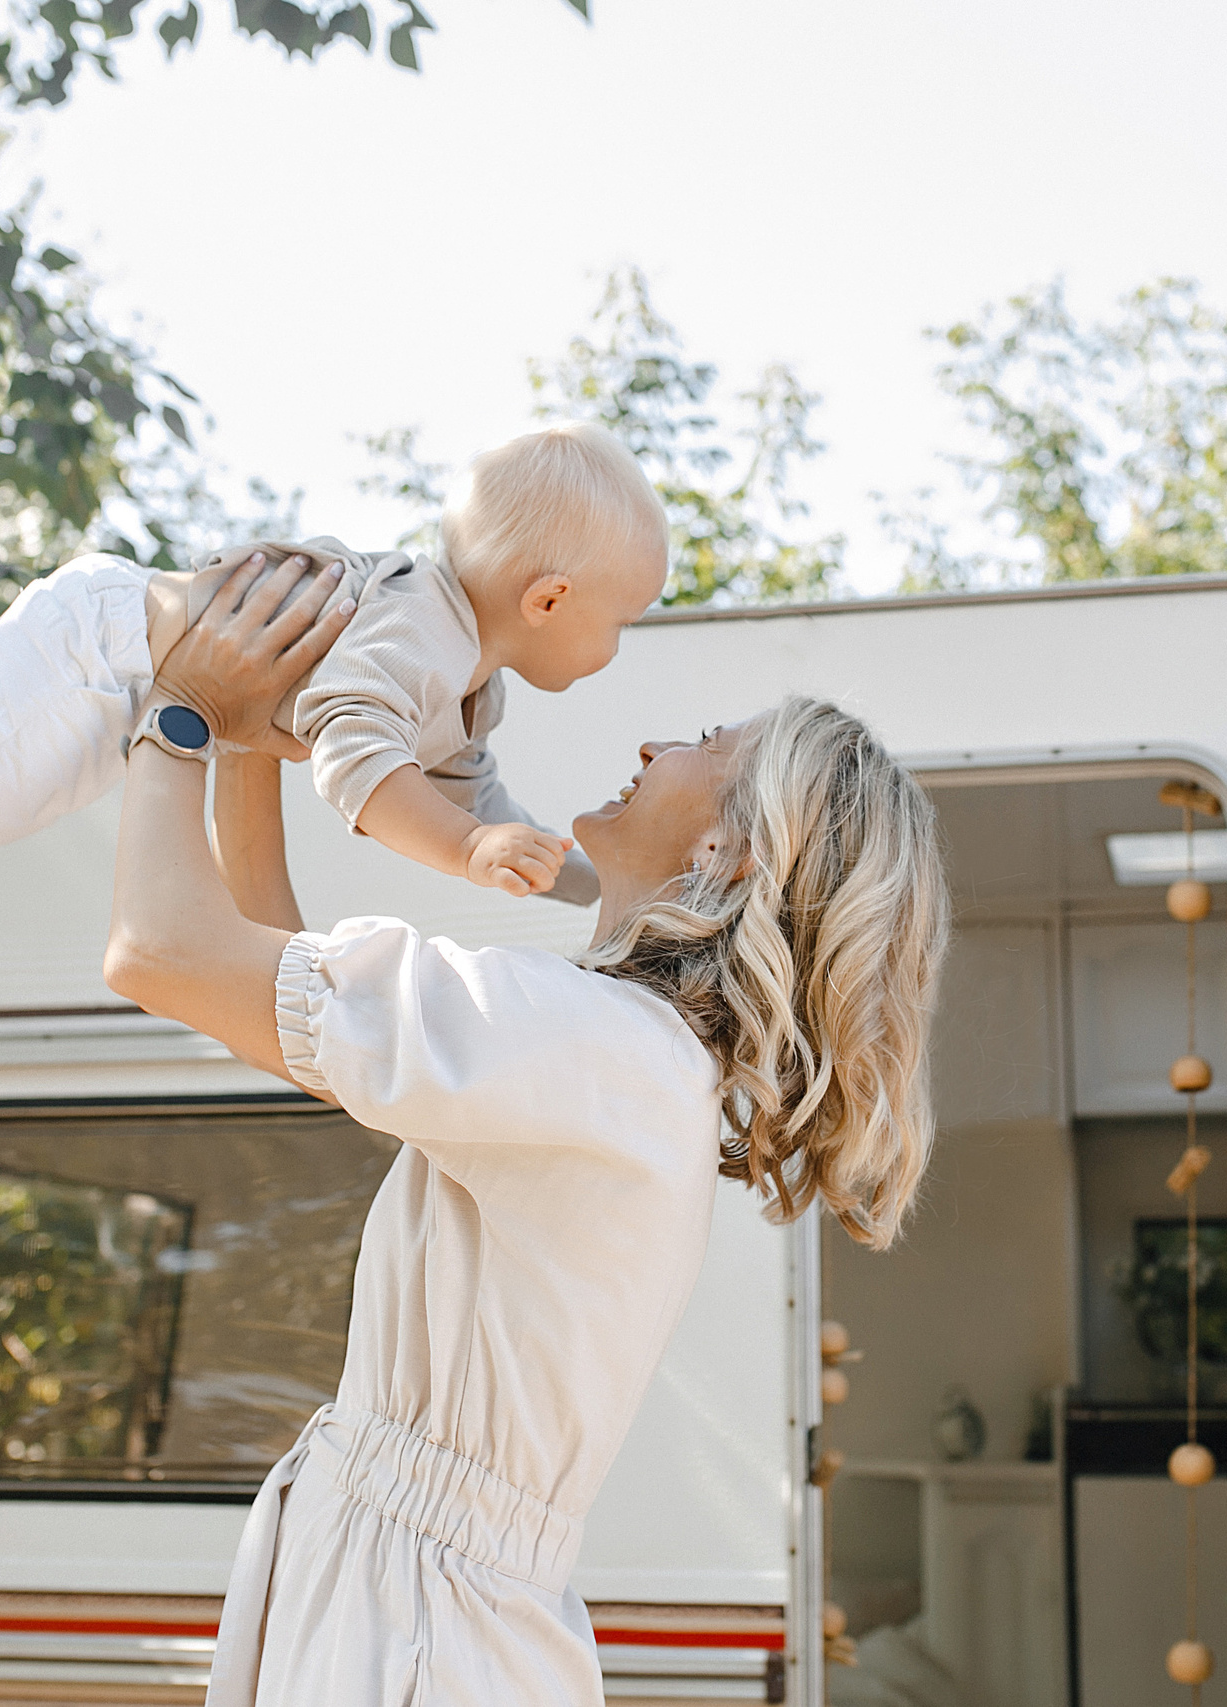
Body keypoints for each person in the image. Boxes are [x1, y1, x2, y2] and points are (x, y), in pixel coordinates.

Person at [102, 554, 950, 1706]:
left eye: (704, 741)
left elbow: (157, 951)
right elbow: (282, 1019)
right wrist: (252, 745)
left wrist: (182, 712)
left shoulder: (597, 1045)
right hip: (428, 1605)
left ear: (730, 852)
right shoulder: (622, 1057)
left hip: (411, 1629)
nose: (656, 745)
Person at [0, 421, 668, 987]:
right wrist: (461, 854)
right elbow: (355, 760)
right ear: (546, 599)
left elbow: (479, 803)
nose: (615, 649)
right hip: (98, 651)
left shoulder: (468, 690)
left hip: (131, 672)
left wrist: (591, 885)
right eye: (618, 621)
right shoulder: (417, 629)